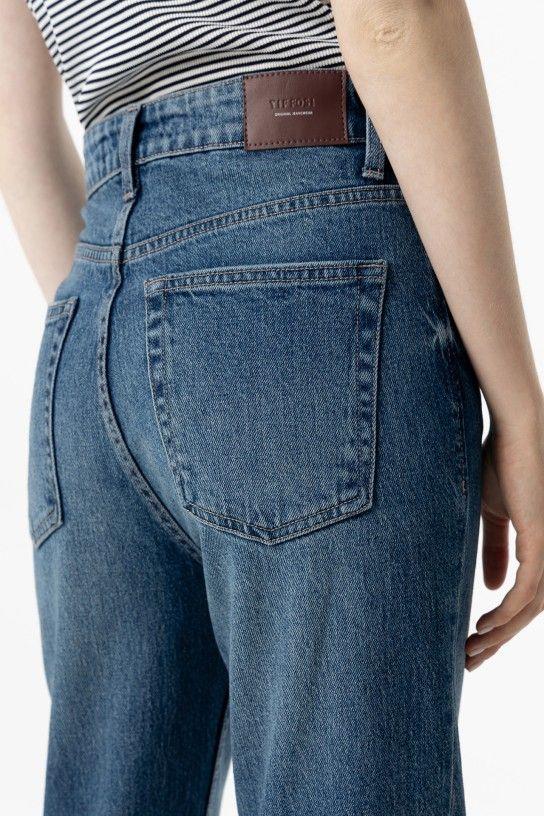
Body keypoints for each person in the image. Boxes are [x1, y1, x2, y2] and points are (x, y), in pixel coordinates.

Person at [1, 1, 543, 814]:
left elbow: (14, 121)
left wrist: (140, 352)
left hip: (89, 328)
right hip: (308, 268)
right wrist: (521, 412)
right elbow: (393, 20)